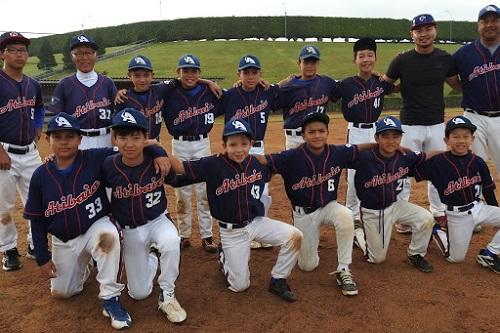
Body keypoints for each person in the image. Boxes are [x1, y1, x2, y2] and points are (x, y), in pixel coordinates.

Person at [169, 119, 303, 302]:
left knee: (295, 236)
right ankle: (224, 256)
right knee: (240, 286)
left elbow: (281, 166)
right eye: (233, 144)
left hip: (256, 222)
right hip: (232, 231)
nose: (239, 149)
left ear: (250, 144)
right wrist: (156, 150)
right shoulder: (213, 164)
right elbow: (181, 169)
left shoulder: (257, 164)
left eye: (244, 144)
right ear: (224, 145)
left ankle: (278, 278)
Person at [23, 113, 132, 330]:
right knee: (63, 293)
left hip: (94, 227)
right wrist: (42, 258)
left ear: (80, 139)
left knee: (109, 237)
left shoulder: (94, 158)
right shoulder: (40, 175)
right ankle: (86, 265)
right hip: (63, 240)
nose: (64, 142)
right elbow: (36, 220)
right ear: (48, 139)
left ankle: (110, 298)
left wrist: (156, 151)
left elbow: (131, 149)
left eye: (70, 136)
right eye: (58, 137)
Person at [260, 112, 372, 297]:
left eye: (321, 131)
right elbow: (265, 161)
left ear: (327, 132)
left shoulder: (337, 152)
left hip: (328, 207)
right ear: (304, 135)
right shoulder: (292, 157)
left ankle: (343, 269)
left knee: (345, 215)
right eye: (312, 132)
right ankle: (311, 242)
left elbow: (360, 148)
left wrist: (383, 145)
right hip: (304, 214)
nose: (317, 135)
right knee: (308, 266)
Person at [102, 108, 186, 323]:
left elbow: (183, 172)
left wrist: (159, 149)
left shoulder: (154, 159)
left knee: (171, 241)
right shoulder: (107, 165)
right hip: (129, 229)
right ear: (115, 139)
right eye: (123, 137)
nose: (129, 143)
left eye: (136, 137)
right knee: (138, 294)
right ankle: (151, 258)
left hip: (157, 220)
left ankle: (167, 294)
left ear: (145, 138)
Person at [383, 14, 461, 231]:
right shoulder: (401, 60)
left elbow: (458, 85)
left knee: (438, 169)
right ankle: (403, 215)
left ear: (435, 31)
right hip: (409, 125)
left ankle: (438, 211)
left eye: (428, 29)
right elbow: (386, 85)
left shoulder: (445, 59)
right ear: (412, 34)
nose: (423, 34)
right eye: (419, 30)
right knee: (403, 171)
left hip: (436, 124)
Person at [414, 116, 500, 274]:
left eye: (466, 136)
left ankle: (490, 254)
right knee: (455, 258)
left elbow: (488, 189)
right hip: (457, 216)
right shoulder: (437, 162)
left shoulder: (478, 162)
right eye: (455, 136)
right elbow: (411, 170)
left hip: (479, 209)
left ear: (472, 139)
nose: (461, 141)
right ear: (446, 140)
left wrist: (495, 212)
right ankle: (437, 230)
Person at [333, 38, 395, 251]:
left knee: (376, 170)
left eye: (370, 55)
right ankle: (351, 216)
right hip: (357, 131)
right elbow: (327, 92)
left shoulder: (381, 83)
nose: (366, 59)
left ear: (375, 58)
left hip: (376, 131)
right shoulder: (347, 84)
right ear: (355, 60)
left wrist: (385, 77)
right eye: (362, 56)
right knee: (353, 175)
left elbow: (395, 86)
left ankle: (369, 212)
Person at [350, 116, 435, 272]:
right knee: (376, 259)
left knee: (426, 219)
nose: (391, 141)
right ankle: (358, 234)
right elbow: (338, 154)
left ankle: (416, 254)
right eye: (385, 136)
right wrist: (371, 145)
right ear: (376, 137)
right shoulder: (364, 157)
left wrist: (452, 152)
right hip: (373, 212)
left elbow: (427, 155)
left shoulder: (405, 156)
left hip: (395, 205)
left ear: (401, 138)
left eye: (395, 136)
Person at [162, 54, 221, 252]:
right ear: (178, 73)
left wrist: (207, 82)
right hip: (179, 144)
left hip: (203, 142)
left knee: (205, 191)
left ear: (199, 73)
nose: (189, 74)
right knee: (182, 193)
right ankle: (184, 235)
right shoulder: (170, 92)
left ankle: (207, 236)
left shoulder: (208, 91)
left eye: (194, 71)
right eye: (185, 70)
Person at [221, 54, 281, 249]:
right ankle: (242, 232)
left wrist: (276, 82)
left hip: (257, 147)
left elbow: (285, 86)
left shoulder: (267, 92)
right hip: (236, 150)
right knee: (239, 190)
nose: (250, 76)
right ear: (239, 74)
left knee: (262, 191)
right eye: (246, 72)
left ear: (260, 74)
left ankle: (259, 232)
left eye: (254, 72)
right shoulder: (230, 95)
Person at [0, 31, 45, 270]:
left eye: (23, 50)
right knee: (4, 206)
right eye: (13, 49)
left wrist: (38, 127)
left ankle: (34, 244)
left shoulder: (33, 84)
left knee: (36, 201)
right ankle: (8, 250)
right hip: (3, 152)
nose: (19, 54)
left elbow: (39, 109)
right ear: (2, 54)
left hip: (30, 152)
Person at [115, 54, 223, 141]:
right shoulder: (124, 98)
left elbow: (183, 79)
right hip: (134, 143)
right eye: (137, 75)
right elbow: (117, 128)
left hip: (155, 142)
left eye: (146, 75)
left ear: (153, 75)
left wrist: (208, 82)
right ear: (129, 76)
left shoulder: (161, 89)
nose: (142, 80)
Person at [453, 5, 500, 177]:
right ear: (478, 26)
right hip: (474, 118)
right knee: (472, 168)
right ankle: (474, 203)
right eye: (485, 21)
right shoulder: (463, 53)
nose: (489, 25)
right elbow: (449, 76)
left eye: (494, 20)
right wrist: (467, 89)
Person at [49, 33, 117, 149]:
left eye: (88, 53)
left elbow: (118, 112)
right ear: (72, 57)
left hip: (107, 138)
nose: (84, 58)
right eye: (79, 53)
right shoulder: (64, 84)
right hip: (79, 140)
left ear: (95, 55)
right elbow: (56, 117)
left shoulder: (107, 83)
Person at [279, 45, 339, 150]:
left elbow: (349, 87)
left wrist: (370, 75)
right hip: (294, 140)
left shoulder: (327, 83)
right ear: (299, 63)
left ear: (318, 63)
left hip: (317, 138)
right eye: (306, 62)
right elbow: (267, 97)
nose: (309, 66)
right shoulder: (288, 85)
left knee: (318, 166)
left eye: (313, 62)